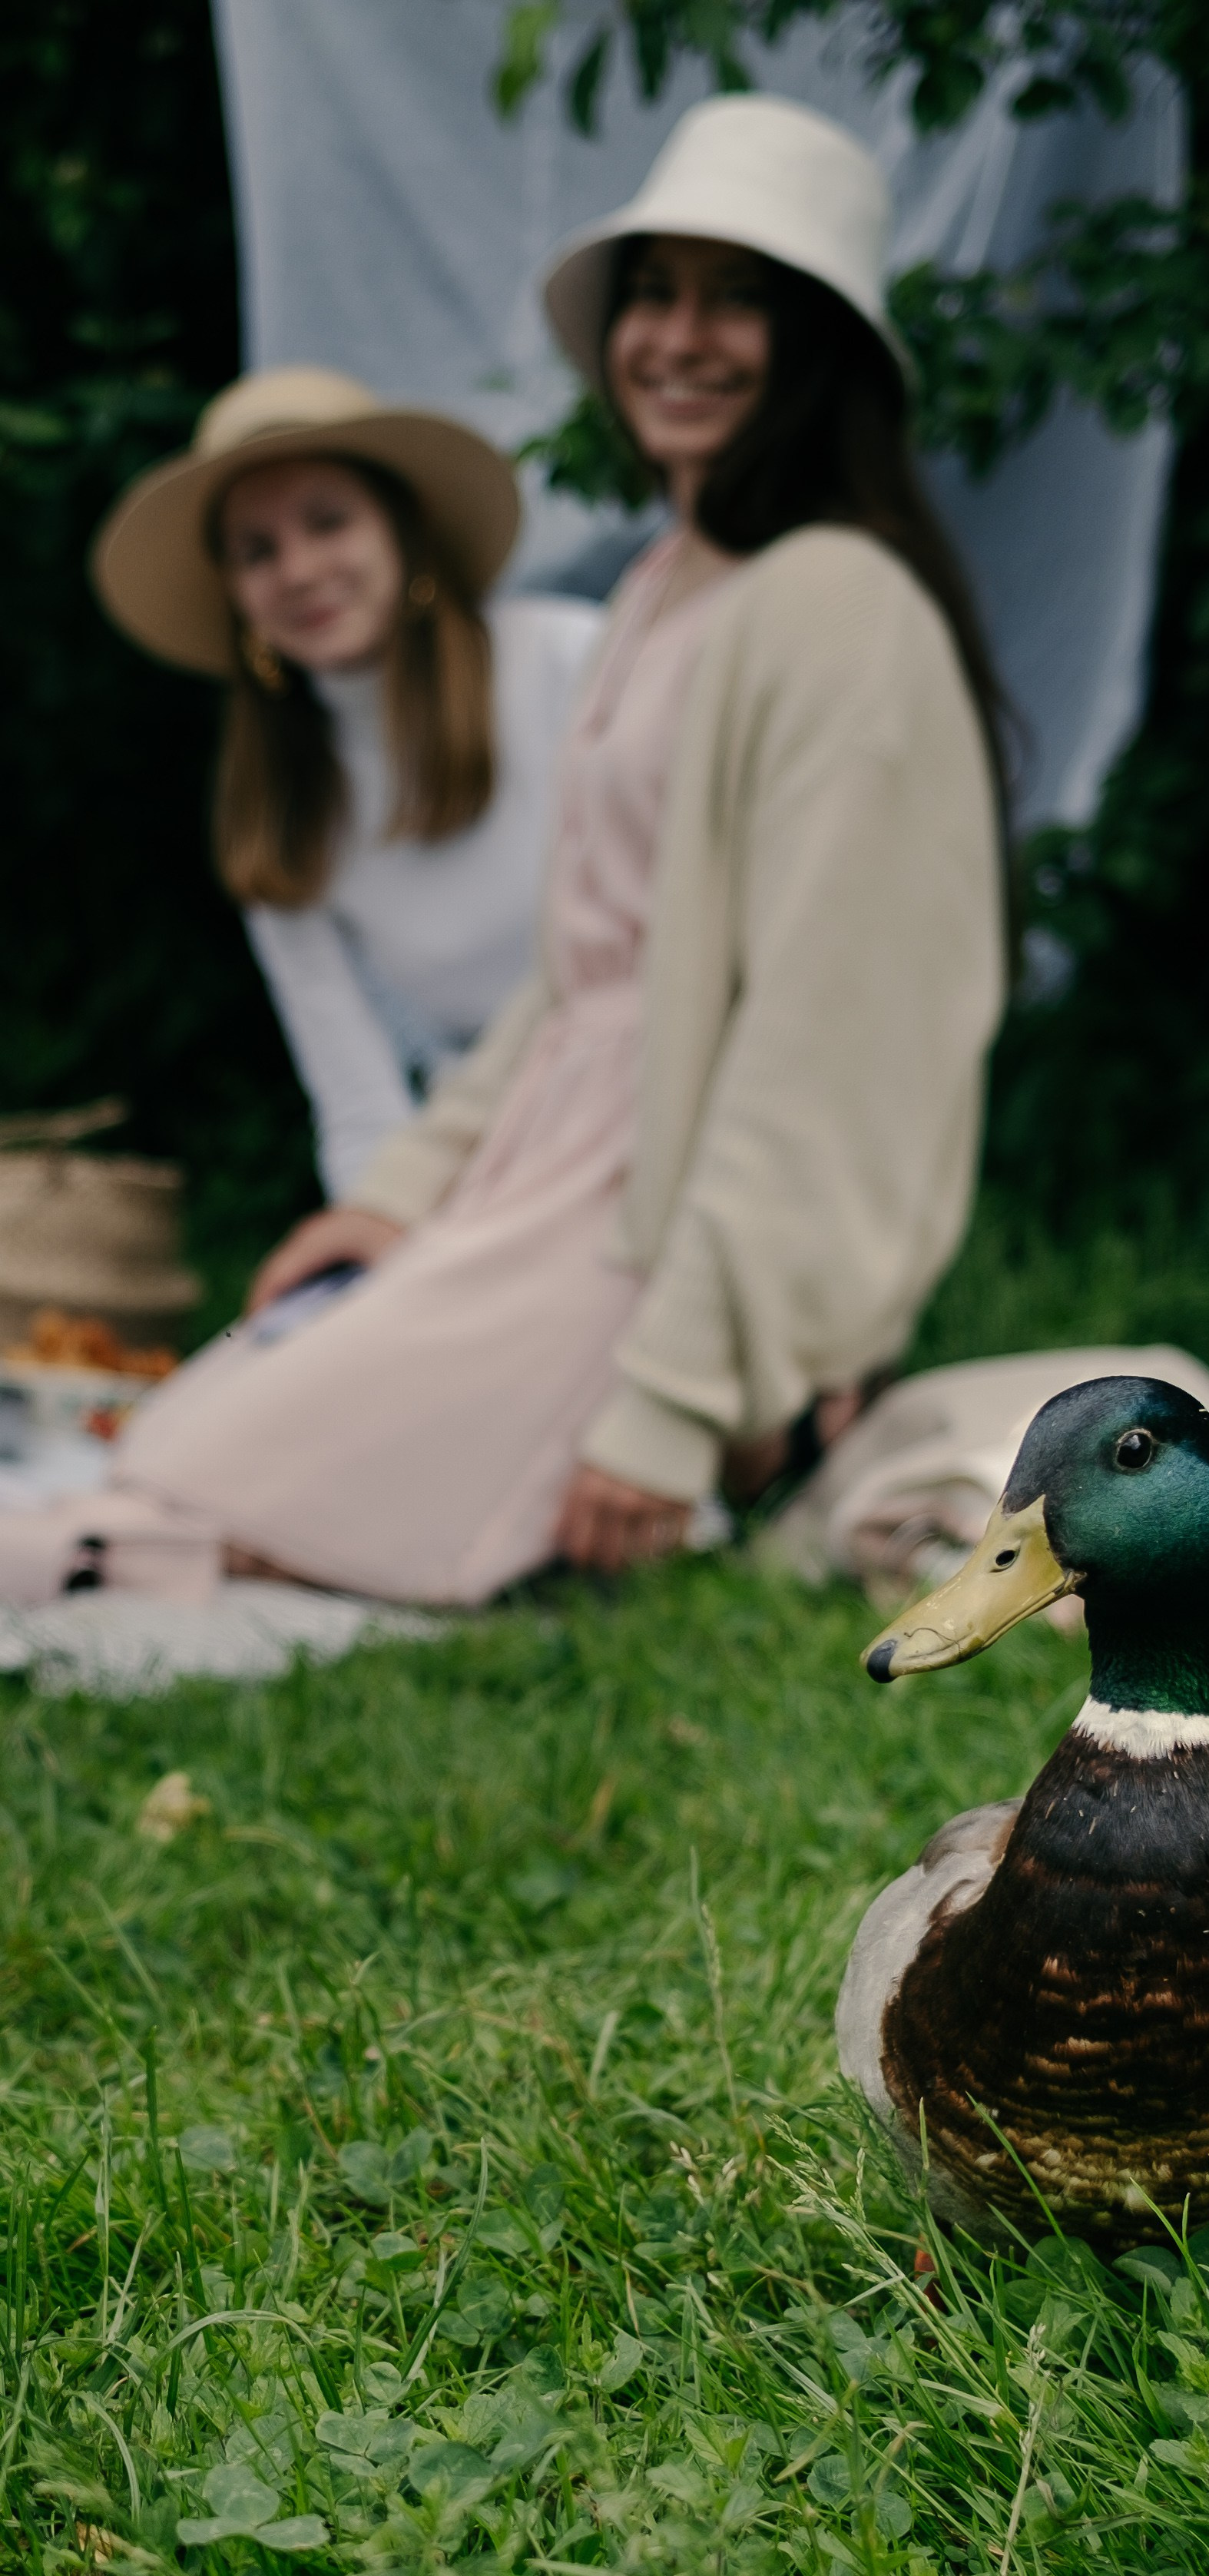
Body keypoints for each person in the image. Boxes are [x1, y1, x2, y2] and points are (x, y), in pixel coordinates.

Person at [0, 93, 1006, 1605]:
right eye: (652, 293)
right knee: (186, 1433)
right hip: (546, 1152)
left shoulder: (837, 607)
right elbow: (573, 973)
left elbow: (825, 1042)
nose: (678, 338)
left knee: (220, 1493)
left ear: (817, 346)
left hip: (655, 1198)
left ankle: (772, 1424)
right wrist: (397, 1197)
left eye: (736, 299)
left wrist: (678, 1394)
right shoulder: (666, 587)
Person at [91, 370, 604, 1198]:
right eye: (257, 551)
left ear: (405, 529)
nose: (298, 569)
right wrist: (375, 1234)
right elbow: (358, 1103)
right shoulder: (281, 804)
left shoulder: (569, 663)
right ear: (236, 595)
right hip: (486, 1154)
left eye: (328, 522)